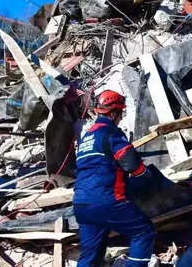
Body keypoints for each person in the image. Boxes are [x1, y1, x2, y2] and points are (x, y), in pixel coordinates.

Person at [73, 90, 156, 267]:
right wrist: (144, 175)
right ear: (113, 113)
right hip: (106, 200)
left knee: (89, 256)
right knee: (143, 233)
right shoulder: (110, 132)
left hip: (81, 205)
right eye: (120, 113)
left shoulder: (86, 139)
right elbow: (131, 162)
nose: (120, 117)